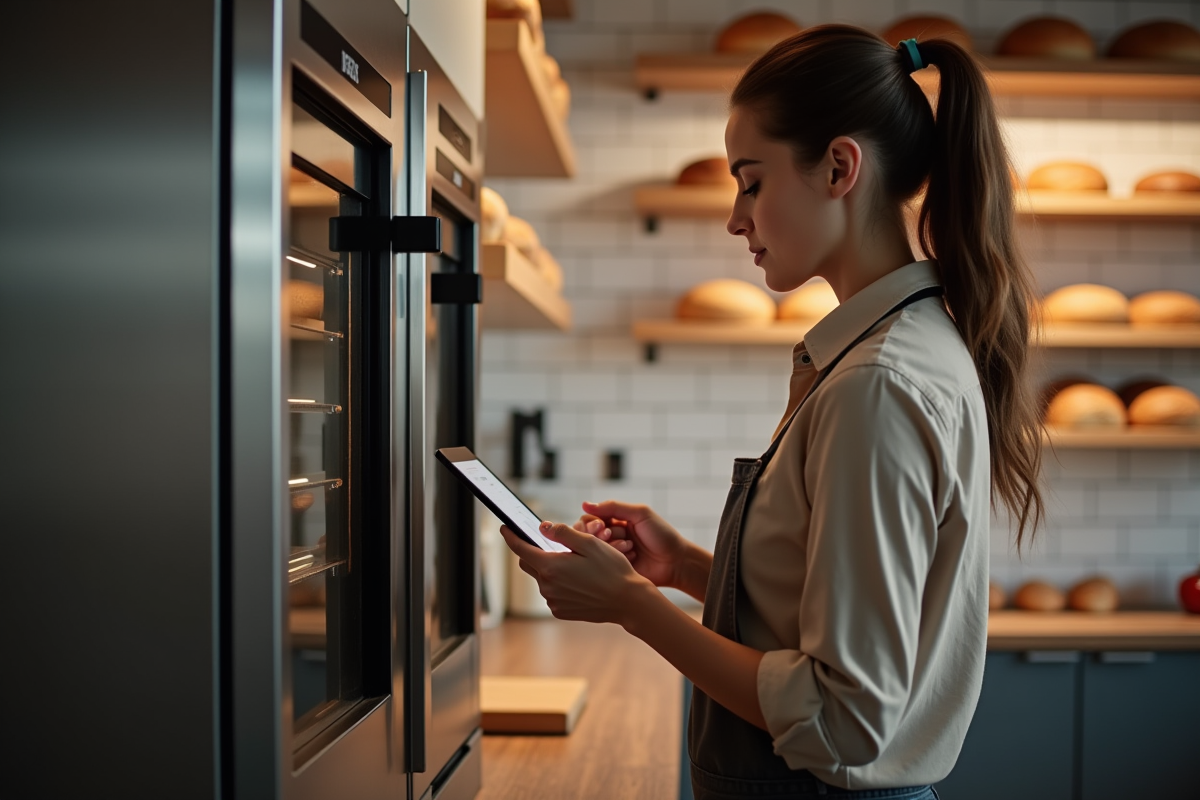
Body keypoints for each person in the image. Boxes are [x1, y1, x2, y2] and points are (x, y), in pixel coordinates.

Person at [499, 24, 1044, 800]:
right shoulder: (888, 352)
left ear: (838, 167)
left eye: (751, 181)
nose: (735, 216)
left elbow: (844, 719)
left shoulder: (877, 384)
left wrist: (633, 607)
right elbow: (821, 622)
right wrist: (683, 568)